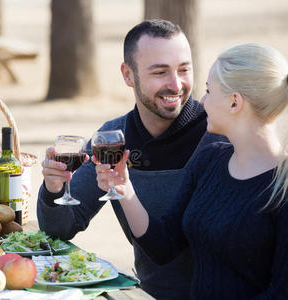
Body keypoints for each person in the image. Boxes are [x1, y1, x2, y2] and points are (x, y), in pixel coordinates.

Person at [38, 19, 225, 299]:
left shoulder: (217, 133)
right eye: (160, 72)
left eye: (184, 70)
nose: (176, 84)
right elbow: (62, 227)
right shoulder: (112, 139)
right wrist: (54, 190)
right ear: (128, 75)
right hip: (146, 294)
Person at [94, 43, 288, 299]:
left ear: (234, 102)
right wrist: (124, 188)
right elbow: (163, 247)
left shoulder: (282, 189)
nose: (202, 100)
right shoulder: (210, 160)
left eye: (209, 91)